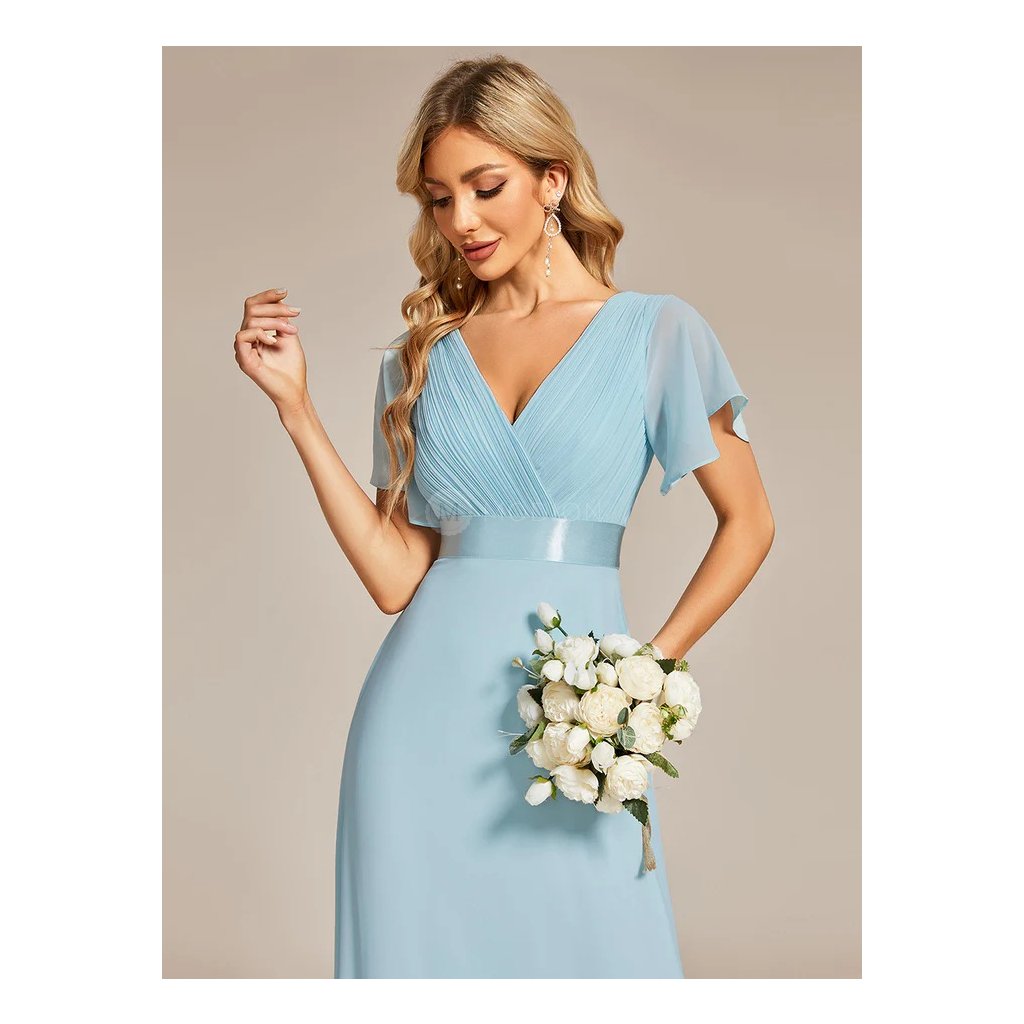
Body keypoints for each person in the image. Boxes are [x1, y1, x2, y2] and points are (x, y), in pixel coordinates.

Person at [234, 55, 774, 979]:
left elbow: (750, 522)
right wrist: (296, 409)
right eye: (440, 199)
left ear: (552, 179)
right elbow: (395, 577)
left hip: (576, 729)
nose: (463, 222)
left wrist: (644, 676)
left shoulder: (657, 332)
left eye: (486, 188)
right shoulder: (417, 357)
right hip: (419, 724)